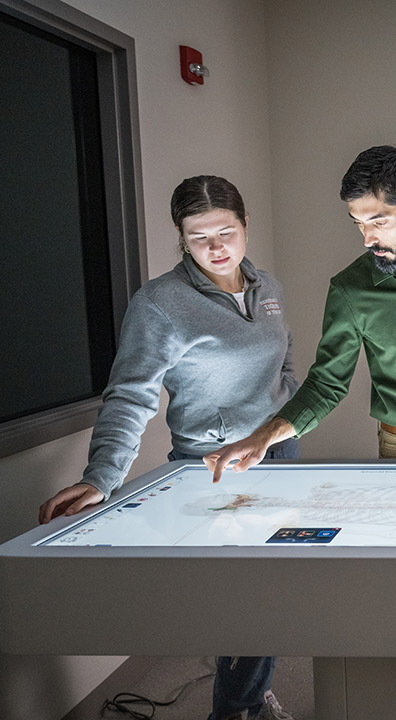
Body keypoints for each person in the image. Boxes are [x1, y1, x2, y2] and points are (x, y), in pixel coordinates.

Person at [38, 176, 300, 720]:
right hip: (216, 468)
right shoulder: (161, 303)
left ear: (246, 225)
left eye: (226, 231)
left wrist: (286, 422)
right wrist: (101, 477)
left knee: (276, 594)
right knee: (249, 604)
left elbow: (285, 364)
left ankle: (249, 697)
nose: (215, 247)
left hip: (279, 458)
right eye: (197, 236)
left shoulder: (267, 287)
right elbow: (131, 394)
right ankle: (237, 710)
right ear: (181, 239)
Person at [205, 145, 396, 477]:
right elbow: (326, 385)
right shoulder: (350, 289)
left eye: (378, 221)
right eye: (358, 223)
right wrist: (262, 438)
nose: (367, 238)